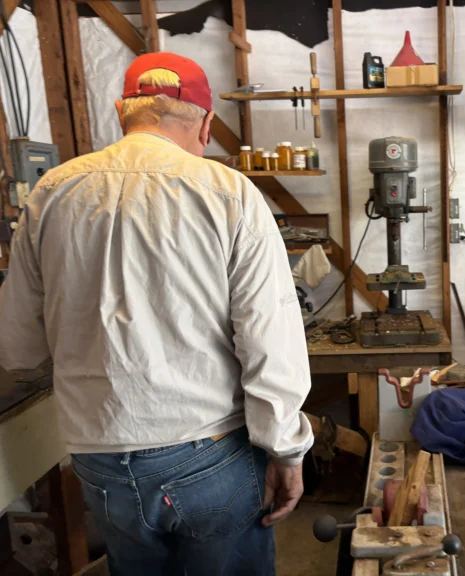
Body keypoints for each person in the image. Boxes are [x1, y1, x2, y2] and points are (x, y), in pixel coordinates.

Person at [0, 52, 313, 575]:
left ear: (121, 111)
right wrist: (286, 450)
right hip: (209, 450)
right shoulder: (230, 193)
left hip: (99, 456)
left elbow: (19, 348)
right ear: (207, 124)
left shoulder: (50, 193)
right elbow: (269, 341)